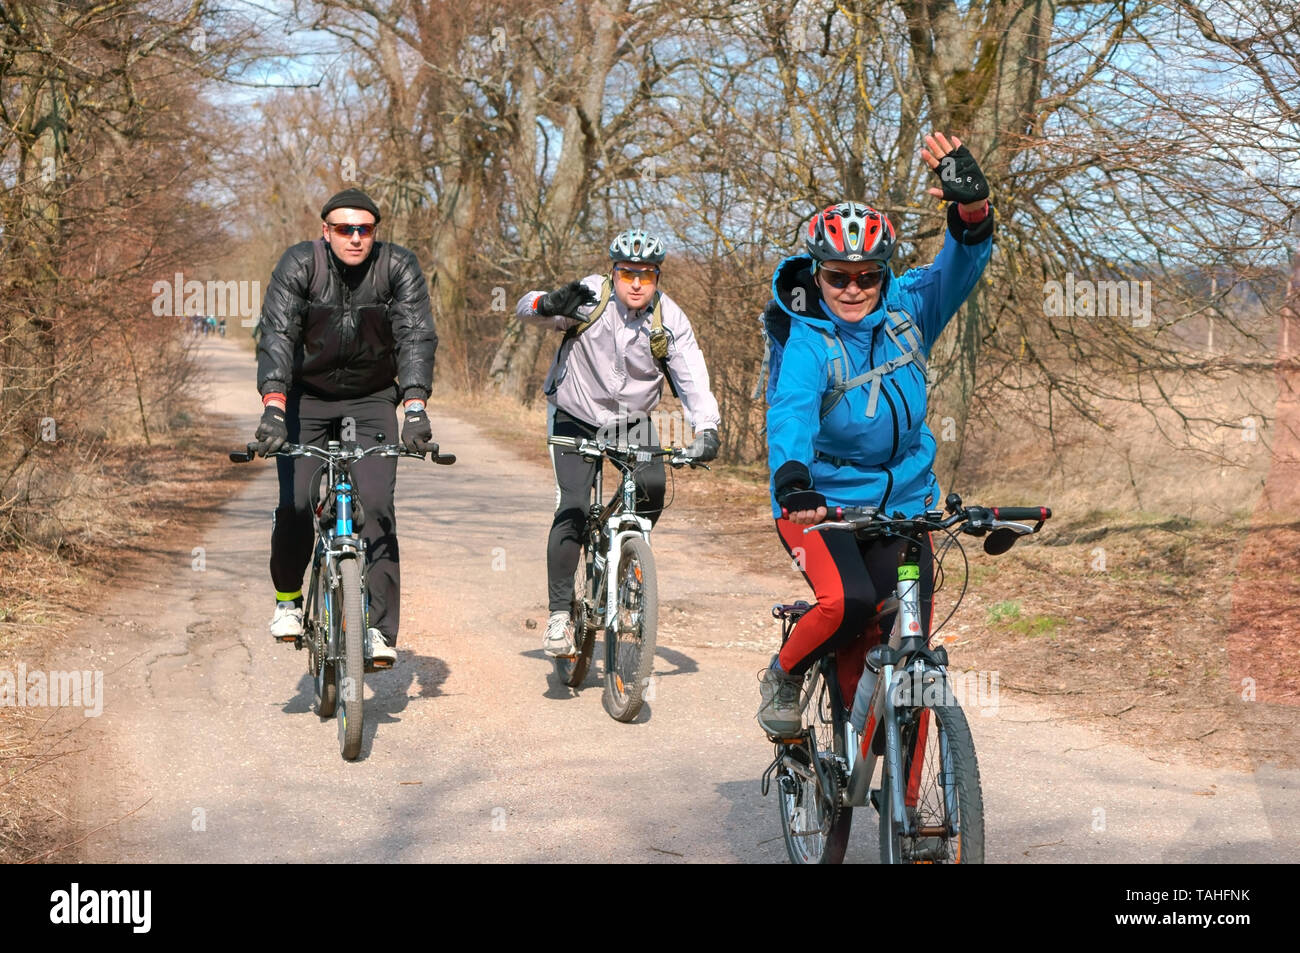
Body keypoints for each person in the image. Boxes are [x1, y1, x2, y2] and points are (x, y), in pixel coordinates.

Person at [757, 132, 995, 735]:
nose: (854, 289)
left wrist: (971, 213)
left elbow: (959, 267)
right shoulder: (809, 338)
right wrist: (793, 482)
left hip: (906, 506)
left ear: (883, 274)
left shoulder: (908, 311)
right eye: (838, 276)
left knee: (906, 641)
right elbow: (790, 412)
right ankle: (784, 674)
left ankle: (913, 814)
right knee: (848, 603)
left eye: (868, 276)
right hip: (821, 506)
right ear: (819, 272)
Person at [253, 187, 438, 668]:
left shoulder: (398, 267)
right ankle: (289, 601)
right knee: (295, 505)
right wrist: (274, 405)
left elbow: (415, 334)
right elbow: (277, 333)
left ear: (375, 233)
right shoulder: (299, 264)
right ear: (326, 231)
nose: (355, 238)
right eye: (344, 229)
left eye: (365, 229)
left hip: (373, 398)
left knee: (377, 508)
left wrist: (414, 407)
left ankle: (378, 631)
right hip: (305, 396)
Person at [517, 228, 722, 657]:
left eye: (646, 276)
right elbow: (527, 311)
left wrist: (707, 429)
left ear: (657, 278)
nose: (635, 283)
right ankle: (558, 618)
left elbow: (691, 377)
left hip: (630, 421)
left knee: (653, 489)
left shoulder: (670, 319)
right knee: (573, 504)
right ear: (614, 272)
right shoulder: (590, 297)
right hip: (575, 413)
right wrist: (547, 303)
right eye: (627, 273)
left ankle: (621, 553)